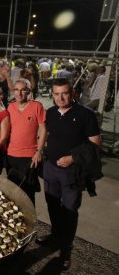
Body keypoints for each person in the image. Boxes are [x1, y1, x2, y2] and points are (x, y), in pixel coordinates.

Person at [36, 78, 102, 270]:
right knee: (52, 205)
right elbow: (46, 134)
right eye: (56, 94)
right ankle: (56, 235)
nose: (60, 97)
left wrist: (72, 158)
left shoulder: (85, 114)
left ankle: (66, 249)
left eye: (64, 93)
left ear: (73, 93)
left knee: (70, 211)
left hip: (72, 172)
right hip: (51, 169)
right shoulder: (50, 112)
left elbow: (96, 144)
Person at [6, 79, 46, 205]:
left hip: (29, 157)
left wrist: (39, 151)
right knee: (12, 191)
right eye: (16, 90)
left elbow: (43, 130)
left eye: (23, 89)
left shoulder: (37, 106)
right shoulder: (10, 107)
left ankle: (30, 221)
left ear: (28, 91)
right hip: (11, 156)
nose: (19, 93)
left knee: (28, 193)